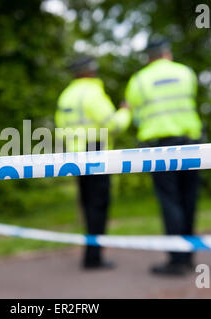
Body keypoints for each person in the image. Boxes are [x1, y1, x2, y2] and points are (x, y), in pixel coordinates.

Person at [125, 38, 203, 276]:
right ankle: (188, 256)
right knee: (189, 200)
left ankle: (177, 260)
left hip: (160, 147)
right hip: (191, 143)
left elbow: (132, 111)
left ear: (149, 56)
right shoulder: (186, 73)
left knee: (170, 202)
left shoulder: (139, 79)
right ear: (167, 53)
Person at [55, 56, 131, 270]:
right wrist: (125, 111)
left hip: (75, 155)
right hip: (95, 151)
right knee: (99, 206)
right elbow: (114, 125)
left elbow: (61, 128)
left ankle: (90, 255)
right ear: (89, 71)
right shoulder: (93, 93)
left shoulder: (66, 96)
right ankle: (94, 258)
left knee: (87, 206)